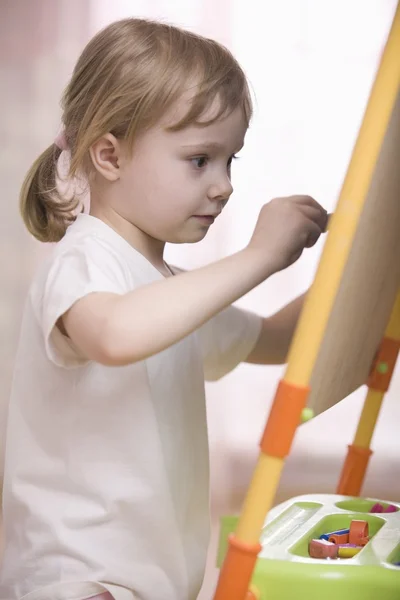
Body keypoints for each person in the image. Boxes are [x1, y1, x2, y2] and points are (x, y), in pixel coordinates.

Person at [0, 17, 328, 600]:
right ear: (110, 156)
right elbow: (116, 334)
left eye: (231, 160)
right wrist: (259, 255)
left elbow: (278, 338)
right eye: (200, 159)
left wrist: (353, 270)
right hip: (77, 580)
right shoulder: (84, 261)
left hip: (155, 584)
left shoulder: (170, 291)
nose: (224, 184)